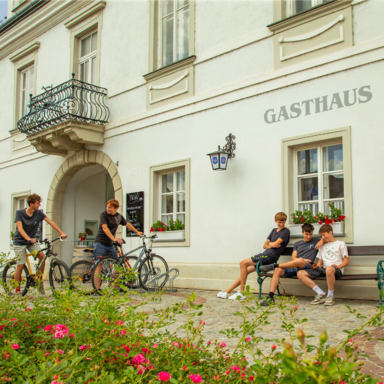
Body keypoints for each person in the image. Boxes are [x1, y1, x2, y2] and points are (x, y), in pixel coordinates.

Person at [217, 212, 290, 301]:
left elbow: (275, 244)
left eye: (283, 222)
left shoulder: (286, 231)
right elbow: (264, 246)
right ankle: (228, 290)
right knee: (246, 270)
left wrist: (270, 244)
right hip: (265, 255)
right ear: (275, 221)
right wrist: (271, 244)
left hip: (270, 256)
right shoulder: (274, 230)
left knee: (243, 263)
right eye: (279, 222)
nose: (281, 224)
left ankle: (241, 292)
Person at [13, 193, 67, 296]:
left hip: (31, 242)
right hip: (20, 242)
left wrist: (61, 232)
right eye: (38, 203)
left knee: (42, 256)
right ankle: (17, 291)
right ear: (31, 203)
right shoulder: (19, 213)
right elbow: (20, 228)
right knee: (20, 266)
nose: (39, 205)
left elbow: (50, 222)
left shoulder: (38, 213)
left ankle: (39, 281)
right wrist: (28, 238)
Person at [259, 223, 323, 306]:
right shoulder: (297, 243)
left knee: (299, 260)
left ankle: (273, 265)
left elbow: (325, 238)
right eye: (306, 234)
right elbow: (293, 258)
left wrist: (321, 240)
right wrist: (302, 259)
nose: (309, 236)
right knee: (278, 270)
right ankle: (270, 297)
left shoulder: (315, 241)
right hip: (296, 265)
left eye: (311, 234)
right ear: (302, 232)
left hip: (307, 266)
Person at [93, 199, 144, 290]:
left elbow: (127, 224)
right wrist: (114, 238)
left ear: (116, 208)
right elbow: (104, 228)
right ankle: (97, 289)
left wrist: (137, 232)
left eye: (110, 207)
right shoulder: (103, 215)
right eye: (107, 207)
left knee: (118, 265)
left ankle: (116, 288)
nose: (107, 209)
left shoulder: (119, 217)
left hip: (110, 244)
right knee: (99, 264)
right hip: (100, 243)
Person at [297, 224, 349, 306]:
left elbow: (346, 261)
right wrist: (316, 266)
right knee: (300, 273)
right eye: (321, 236)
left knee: (329, 269)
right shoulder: (322, 246)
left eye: (324, 235)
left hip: (336, 269)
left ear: (330, 232)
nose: (323, 237)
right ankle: (321, 293)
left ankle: (330, 296)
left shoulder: (340, 244)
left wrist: (339, 266)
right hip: (325, 269)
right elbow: (320, 264)